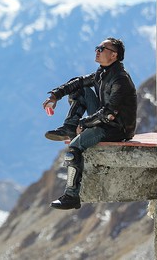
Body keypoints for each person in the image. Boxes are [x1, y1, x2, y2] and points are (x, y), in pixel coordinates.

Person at [42, 37, 137, 210]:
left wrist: (85, 124)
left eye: (102, 48)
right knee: (81, 90)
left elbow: (109, 114)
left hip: (117, 128)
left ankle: (71, 196)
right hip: (104, 120)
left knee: (74, 148)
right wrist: (55, 96)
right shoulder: (102, 73)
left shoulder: (120, 80)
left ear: (114, 55)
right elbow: (78, 82)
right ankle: (70, 127)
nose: (97, 51)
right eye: (97, 48)